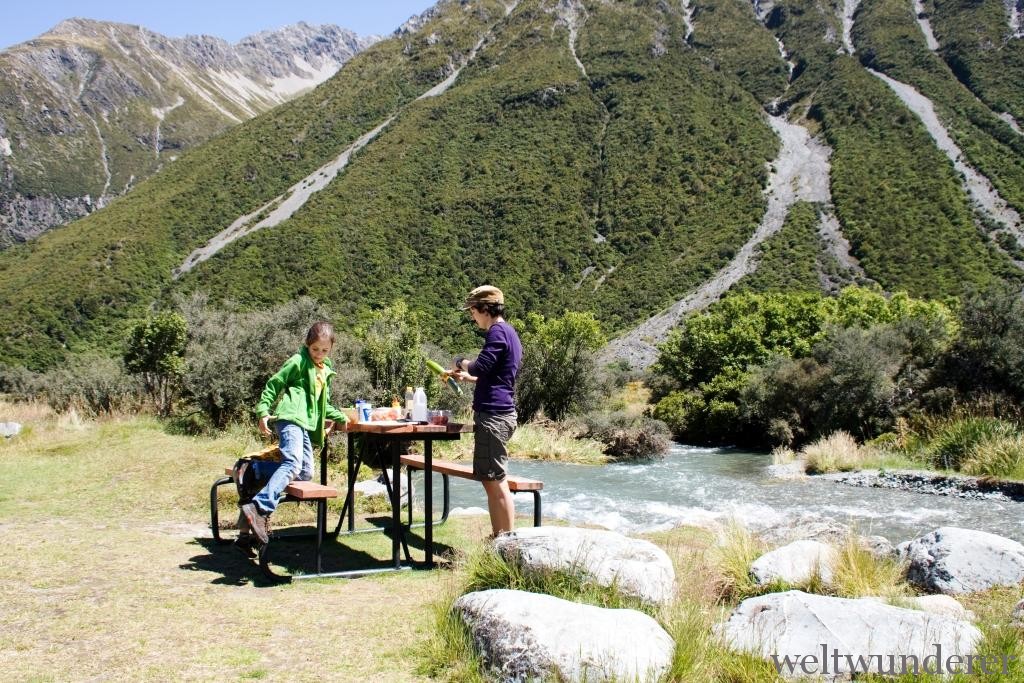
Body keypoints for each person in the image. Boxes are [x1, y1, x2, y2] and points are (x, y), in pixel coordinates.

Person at [239, 321, 347, 546]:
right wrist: (263, 411)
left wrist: (341, 417)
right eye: (315, 349)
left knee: (306, 472)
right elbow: (274, 383)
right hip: (289, 419)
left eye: (324, 350)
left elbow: (323, 405)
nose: (319, 354)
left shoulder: (324, 371)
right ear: (308, 345)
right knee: (293, 463)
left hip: (304, 424)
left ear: (331, 349)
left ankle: (255, 469)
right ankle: (259, 507)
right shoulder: (298, 361)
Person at [450, 285, 523, 537]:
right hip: (500, 413)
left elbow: (481, 366)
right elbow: (496, 377)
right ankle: (502, 539)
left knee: (494, 481)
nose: (472, 316)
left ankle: (503, 543)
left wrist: (461, 362)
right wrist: (466, 378)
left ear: (484, 309)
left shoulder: (497, 332)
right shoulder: (509, 333)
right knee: (493, 480)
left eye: (472, 310)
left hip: (494, 416)